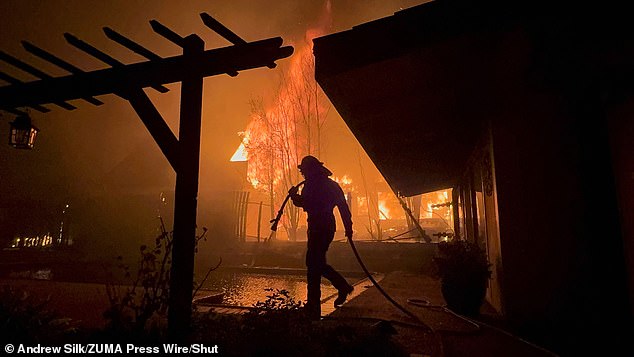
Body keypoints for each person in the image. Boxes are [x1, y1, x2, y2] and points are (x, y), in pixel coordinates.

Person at [289, 155, 354, 320]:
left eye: (304, 171)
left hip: (318, 228)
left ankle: (314, 306)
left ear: (311, 170)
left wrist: (294, 197)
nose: (303, 174)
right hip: (327, 228)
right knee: (317, 263)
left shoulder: (311, 186)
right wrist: (348, 227)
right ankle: (338, 289)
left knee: (313, 264)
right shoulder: (332, 185)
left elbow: (307, 203)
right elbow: (343, 208)